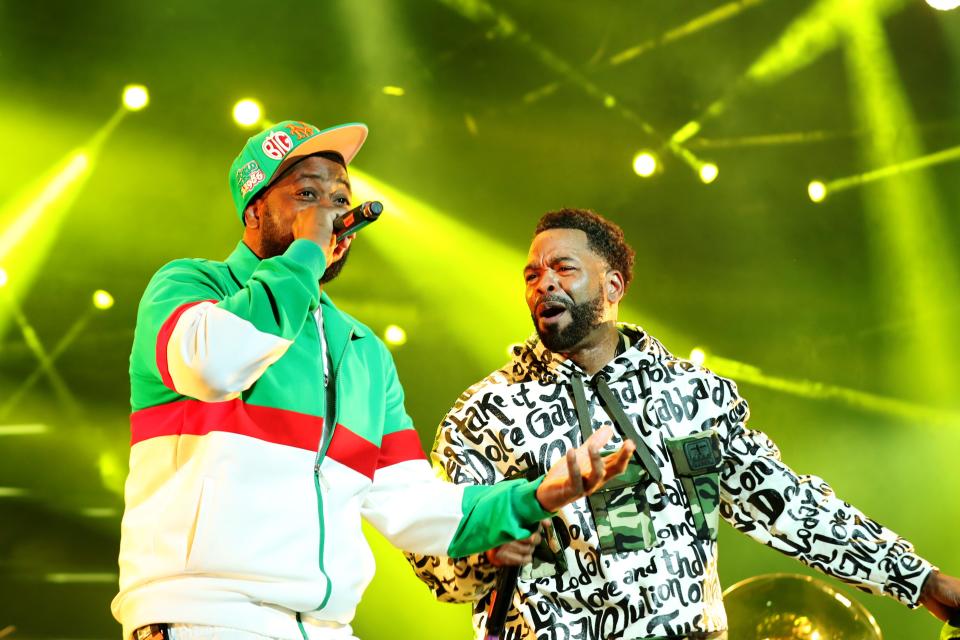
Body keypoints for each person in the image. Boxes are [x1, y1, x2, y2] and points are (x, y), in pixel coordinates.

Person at [111, 124, 636, 640]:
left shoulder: (361, 351)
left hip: (325, 626)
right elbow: (213, 365)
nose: (331, 213)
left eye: (341, 198)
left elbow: (412, 505)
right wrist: (305, 256)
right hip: (205, 616)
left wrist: (535, 496)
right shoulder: (191, 287)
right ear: (254, 211)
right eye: (307, 195)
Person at [406, 208, 960, 640]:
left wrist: (920, 580)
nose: (543, 283)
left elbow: (787, 503)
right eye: (531, 274)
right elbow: (430, 547)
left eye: (564, 268)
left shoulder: (694, 395)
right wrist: (484, 552)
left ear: (613, 287)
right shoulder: (486, 412)